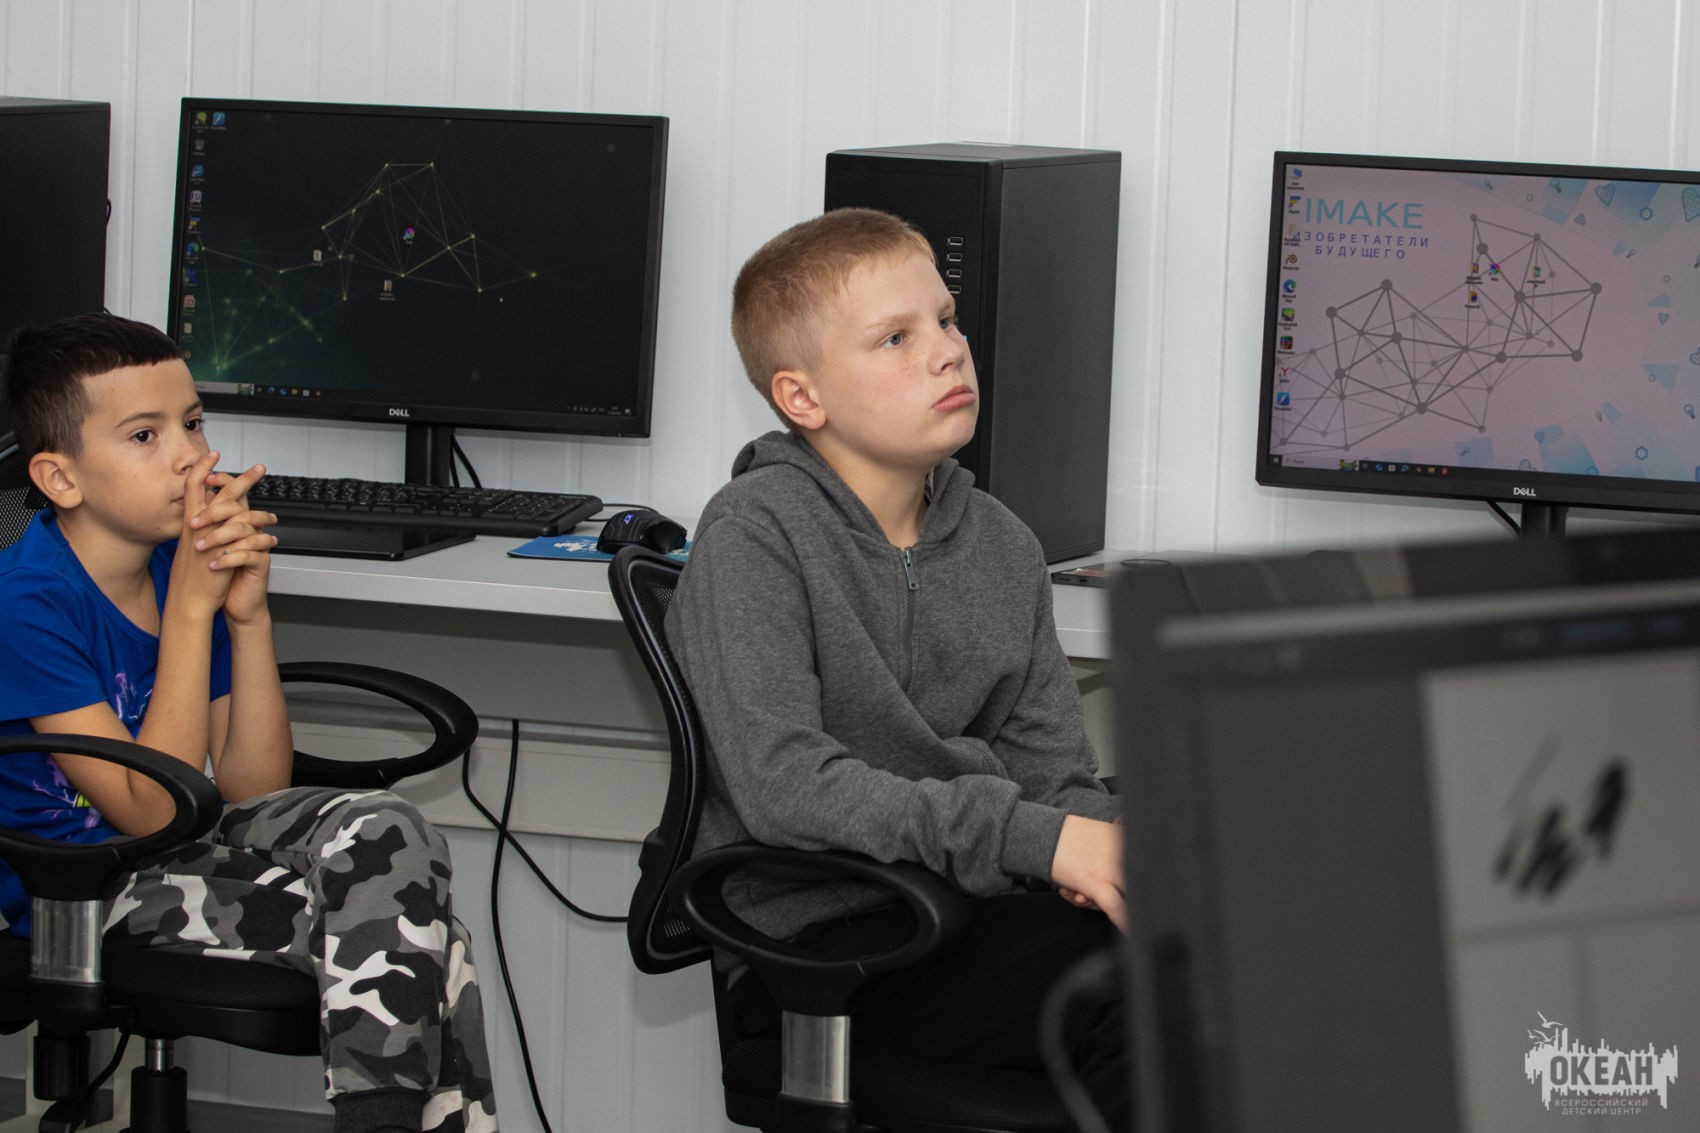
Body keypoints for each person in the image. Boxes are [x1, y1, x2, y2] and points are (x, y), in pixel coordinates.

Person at [667, 207, 1128, 1129]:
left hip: (977, 916)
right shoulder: (754, 533)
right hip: (825, 949)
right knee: (1154, 992)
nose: (948, 352)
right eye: (896, 338)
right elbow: (786, 787)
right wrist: (1041, 841)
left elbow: (1055, 779)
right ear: (802, 398)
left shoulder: (1002, 544)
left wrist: (1120, 851)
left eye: (947, 320)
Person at [0, 313, 496, 1133]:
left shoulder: (178, 564)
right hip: (84, 885)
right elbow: (150, 812)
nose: (190, 456)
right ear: (60, 478)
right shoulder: (27, 602)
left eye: (192, 423)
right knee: (422, 936)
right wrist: (190, 613)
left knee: (389, 831)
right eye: (145, 435)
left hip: (193, 841)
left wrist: (248, 616)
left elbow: (253, 786)